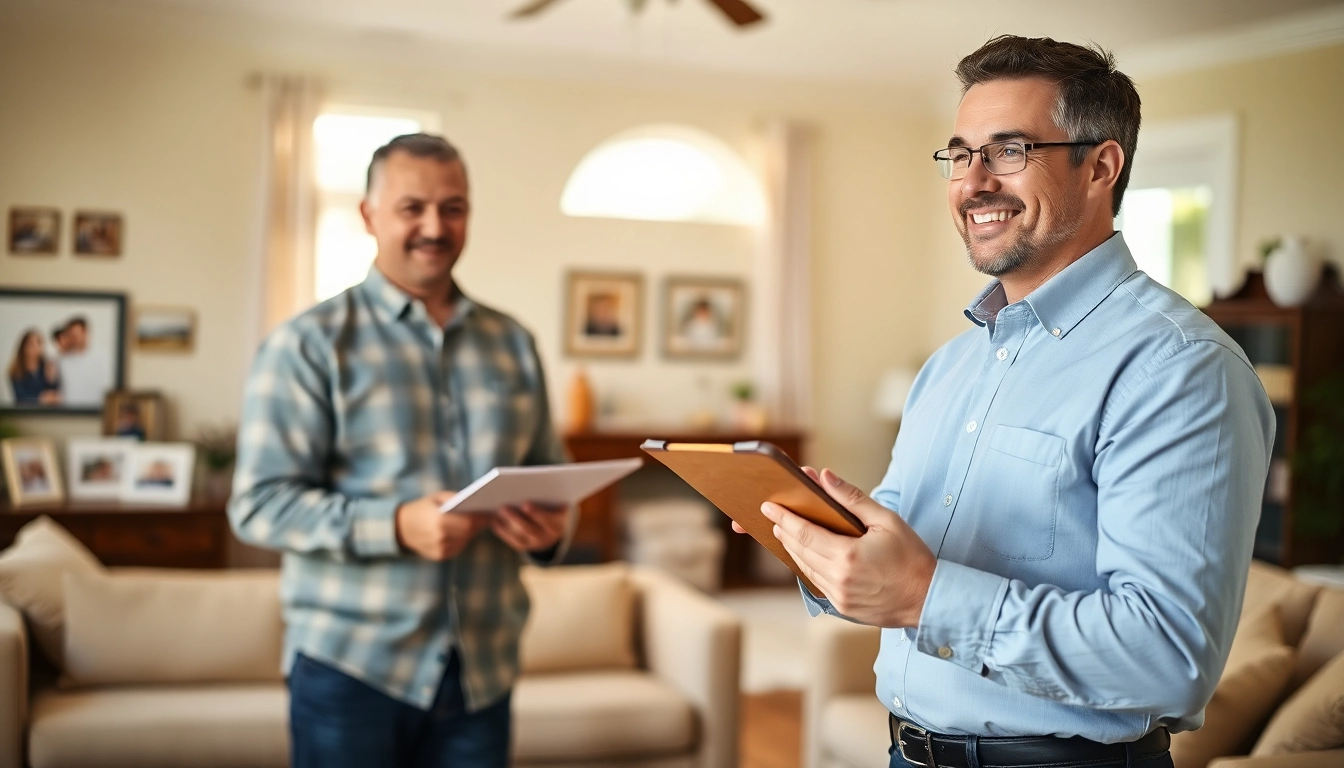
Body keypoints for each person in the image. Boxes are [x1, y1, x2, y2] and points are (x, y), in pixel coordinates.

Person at [745, 36, 1274, 768]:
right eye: (961, 154)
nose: (973, 181)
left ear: (1101, 167)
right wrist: (819, 546)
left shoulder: (1180, 368)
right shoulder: (948, 368)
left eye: (1009, 150)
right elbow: (895, 558)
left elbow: (1169, 657)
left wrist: (924, 597)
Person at [229, 133, 570, 768]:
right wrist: (394, 525)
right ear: (369, 215)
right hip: (349, 670)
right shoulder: (306, 345)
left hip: (483, 670)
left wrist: (549, 531)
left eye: (453, 208)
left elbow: (550, 474)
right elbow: (258, 505)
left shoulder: (514, 343)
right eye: (412, 208)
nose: (435, 227)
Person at [52, 316, 113, 407]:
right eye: (72, 335)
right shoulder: (62, 360)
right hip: (69, 411)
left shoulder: (104, 358)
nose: (75, 338)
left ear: (85, 333)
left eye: (77, 335)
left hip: (96, 409)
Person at [7, 329, 61, 405]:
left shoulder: (45, 366)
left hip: (46, 410)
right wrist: (40, 399)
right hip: (26, 410)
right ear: (23, 347)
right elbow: (20, 397)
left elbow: (53, 391)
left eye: (38, 343)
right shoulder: (17, 370)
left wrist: (51, 379)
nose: (35, 347)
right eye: (31, 344)